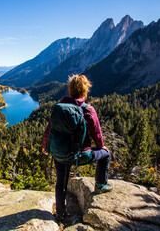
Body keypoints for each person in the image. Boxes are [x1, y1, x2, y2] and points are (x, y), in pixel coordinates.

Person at [42, 74, 113, 221]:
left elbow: (50, 129)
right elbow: (97, 134)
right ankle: (100, 184)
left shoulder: (60, 108)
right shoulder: (88, 110)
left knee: (61, 182)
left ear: (70, 90)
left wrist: (46, 147)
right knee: (105, 155)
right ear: (85, 90)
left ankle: (60, 214)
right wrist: (102, 147)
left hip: (60, 153)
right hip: (80, 155)